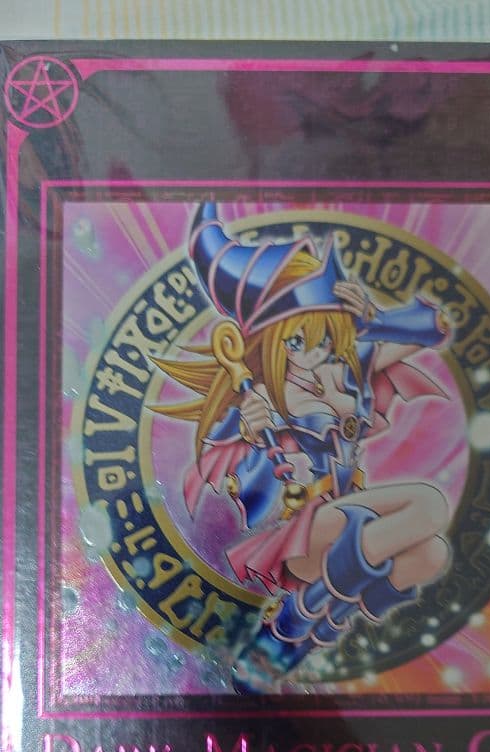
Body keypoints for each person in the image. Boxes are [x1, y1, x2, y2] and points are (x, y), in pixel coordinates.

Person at [151, 203, 452, 690]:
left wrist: (371, 317)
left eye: (324, 340)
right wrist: (248, 434)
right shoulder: (259, 399)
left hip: (341, 528)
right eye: (297, 342)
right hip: (297, 533)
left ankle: (295, 638)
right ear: (271, 341)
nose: (313, 354)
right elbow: (234, 482)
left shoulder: (344, 372)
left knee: (431, 554)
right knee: (429, 505)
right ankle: (292, 622)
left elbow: (431, 328)